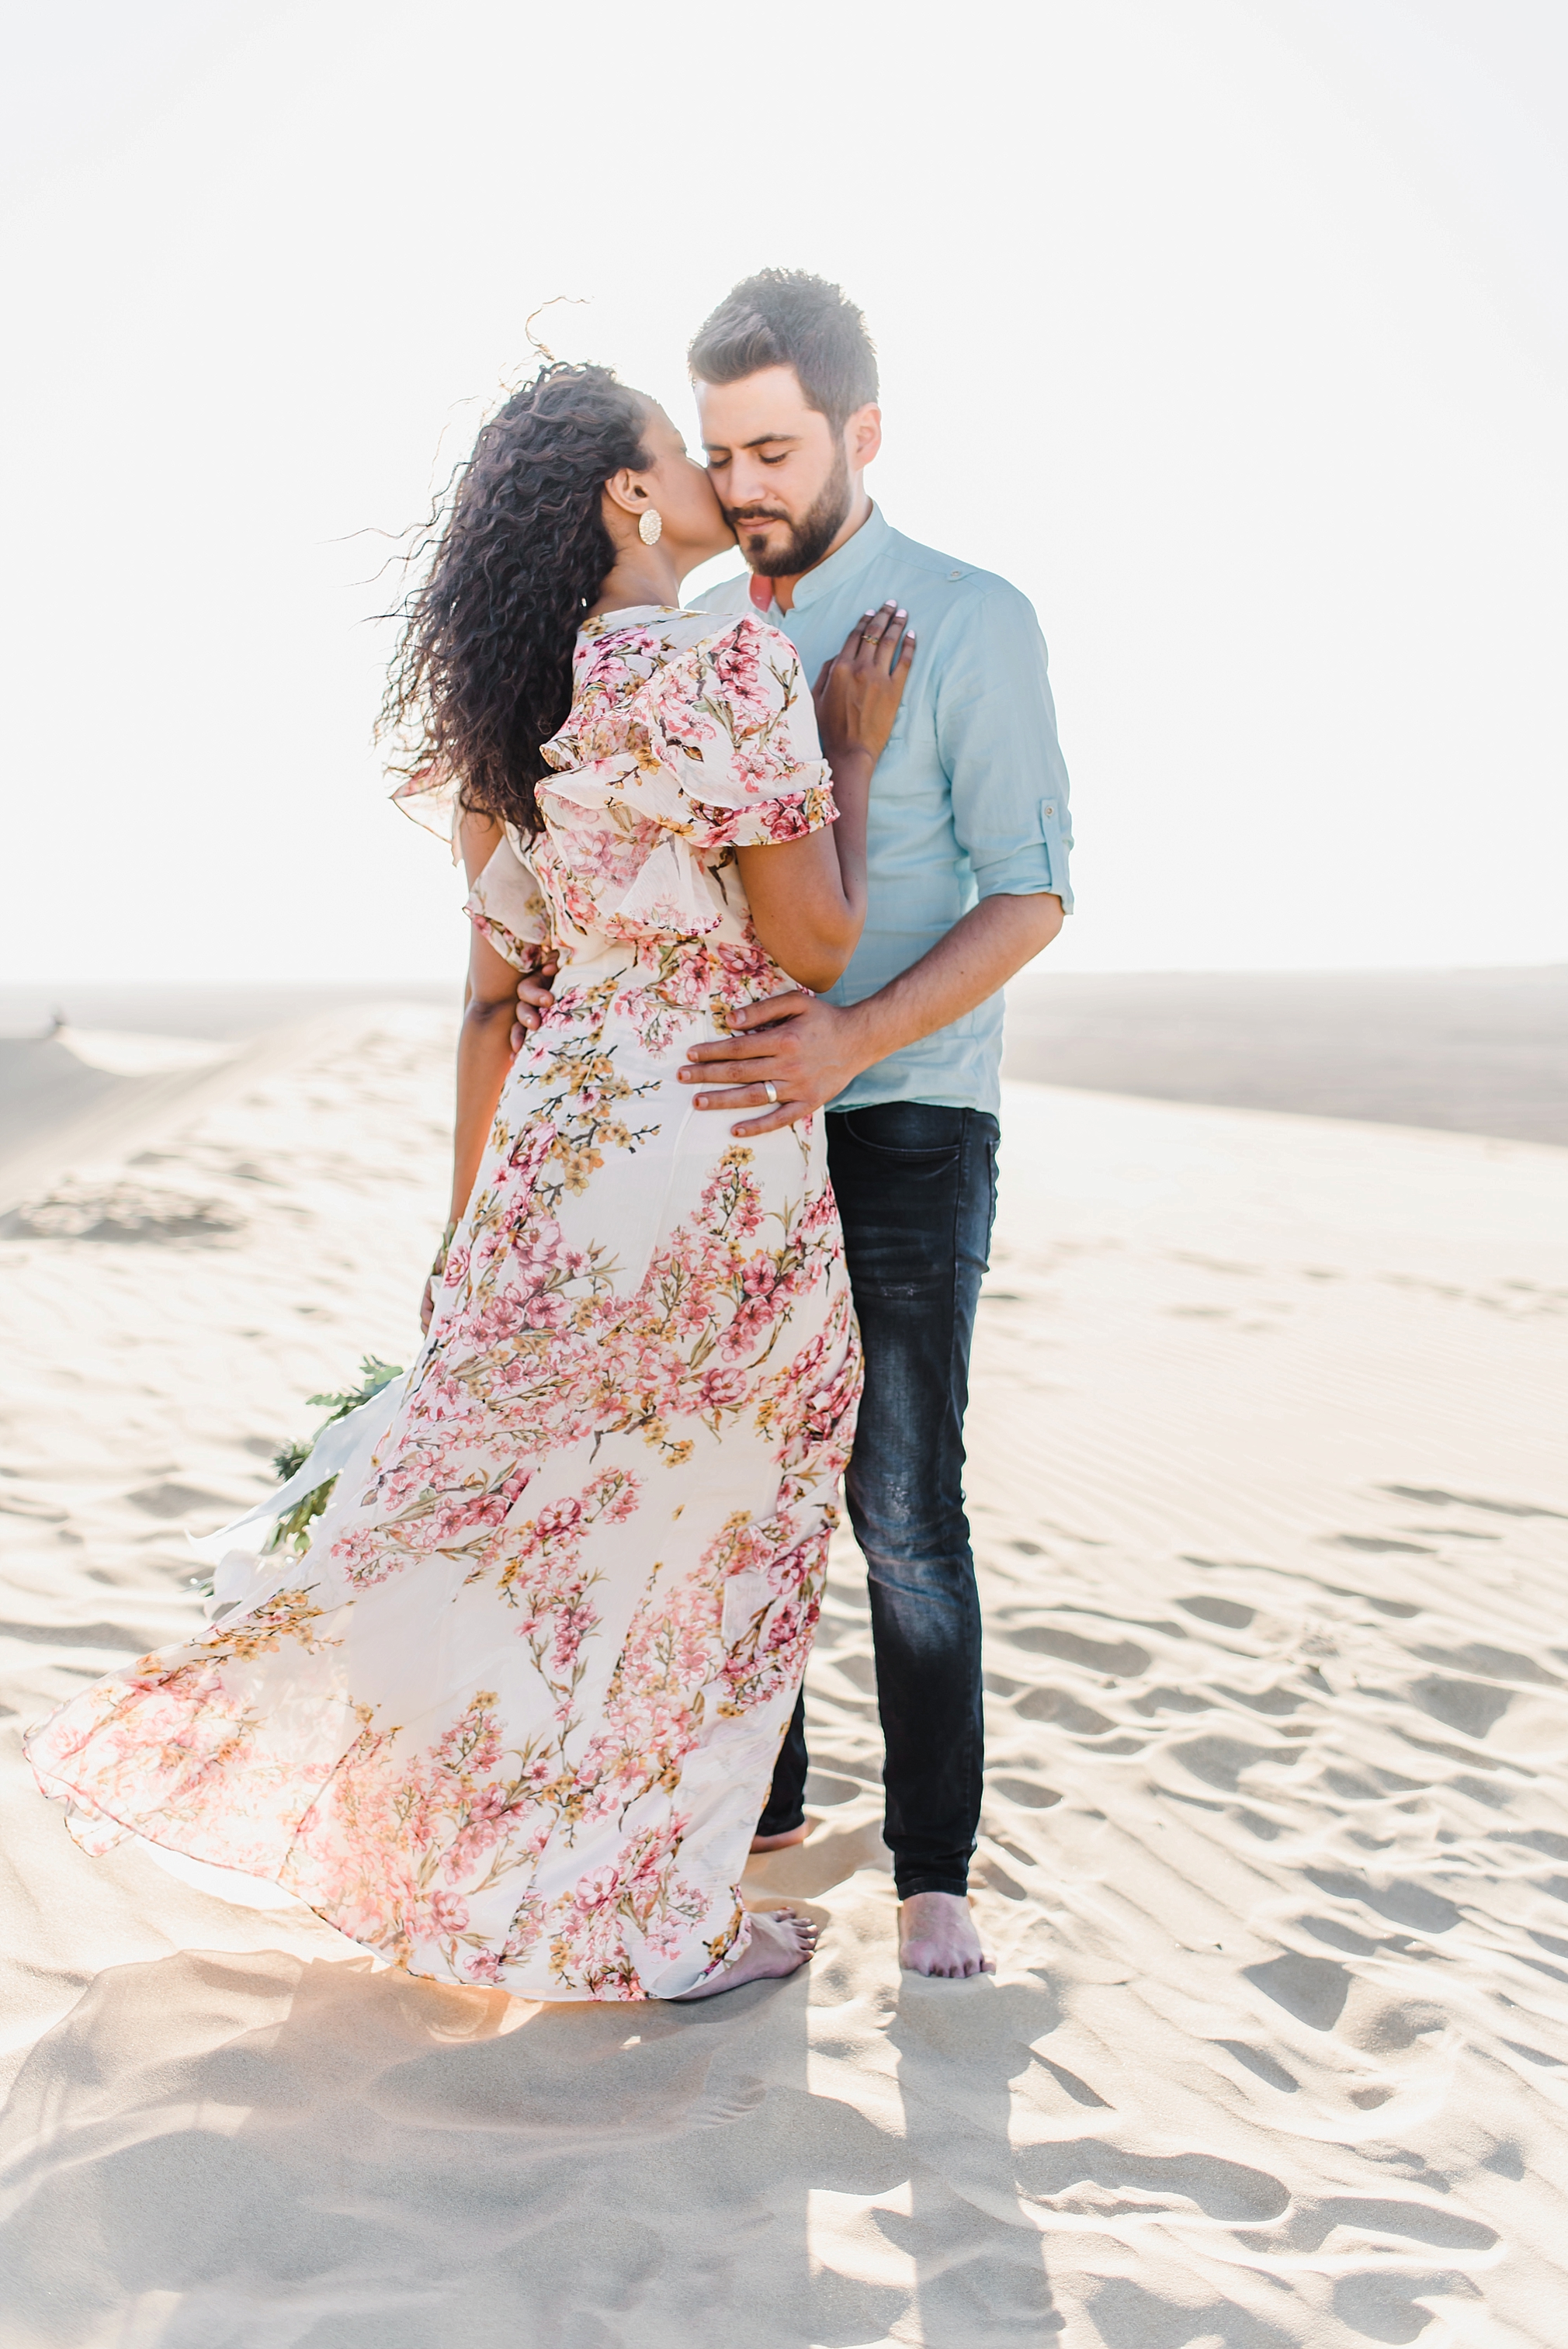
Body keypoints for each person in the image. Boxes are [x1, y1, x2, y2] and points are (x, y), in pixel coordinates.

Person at [24, 360, 914, 2003]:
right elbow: (816, 939)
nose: (716, 463)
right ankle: (662, 1921)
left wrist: (464, 1238)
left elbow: (497, 996)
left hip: (555, 1169)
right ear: (630, 501)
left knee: (508, 1516)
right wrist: (846, 748)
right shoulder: (723, 656)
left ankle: (487, 1869)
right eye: (680, 445)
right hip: (710, 1152)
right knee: (710, 1525)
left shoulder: (513, 716)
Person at [517, 273, 1074, 1980]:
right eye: (719, 451)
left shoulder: (968, 619)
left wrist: (849, 1038)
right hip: (713, 1139)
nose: (745, 483)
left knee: (899, 1502)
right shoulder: (694, 633)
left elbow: (1030, 893)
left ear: (861, 434)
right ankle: (748, 1832)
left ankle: (930, 1876)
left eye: (774, 448)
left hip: (897, 1113)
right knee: (717, 1487)